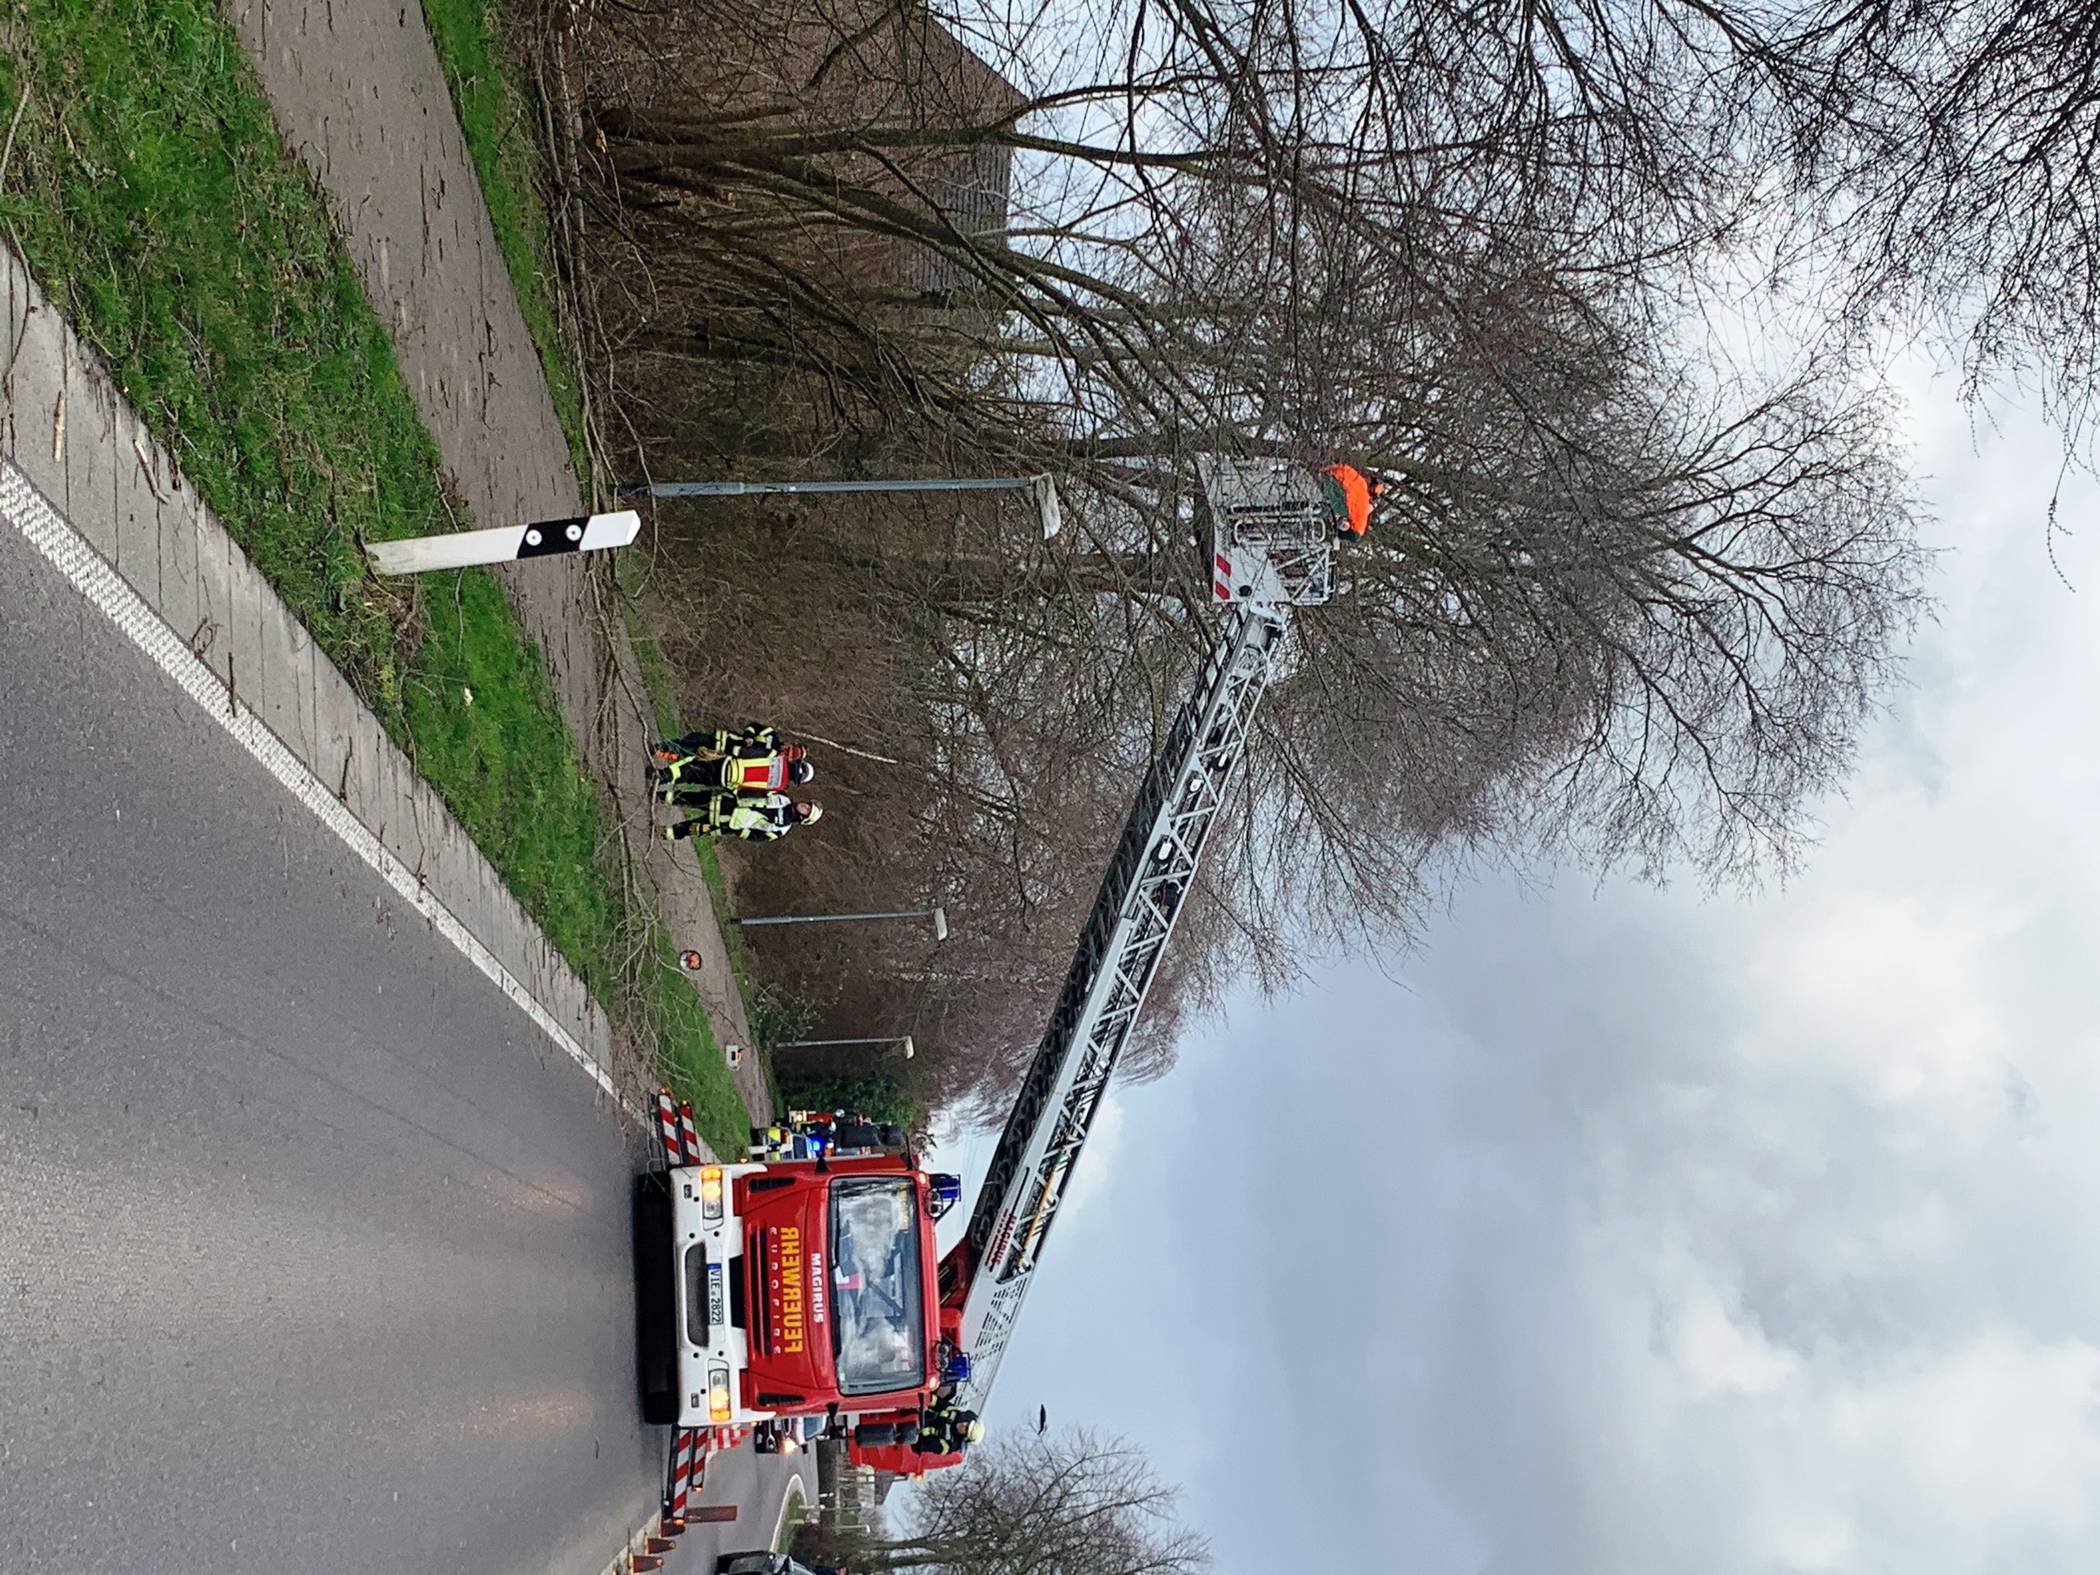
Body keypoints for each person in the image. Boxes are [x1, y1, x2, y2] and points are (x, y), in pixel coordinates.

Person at [648, 722, 794, 783]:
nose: (788, 752)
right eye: (791, 749)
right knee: (691, 739)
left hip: (720, 754)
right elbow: (753, 726)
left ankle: (659, 750)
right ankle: (660, 748)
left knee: (688, 754)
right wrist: (749, 736)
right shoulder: (772, 735)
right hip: (721, 739)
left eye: (792, 756)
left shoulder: (770, 758)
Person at [663, 792, 823, 843]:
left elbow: (757, 837)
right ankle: (662, 796)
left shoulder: (781, 830)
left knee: (696, 827)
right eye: (808, 804)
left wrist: (738, 831)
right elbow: (760, 791)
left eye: (807, 810)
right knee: (696, 798)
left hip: (731, 822)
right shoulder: (783, 797)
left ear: (803, 818)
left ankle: (667, 833)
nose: (805, 806)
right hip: (731, 802)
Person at [657, 750, 814, 799]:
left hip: (728, 764)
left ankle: (662, 776)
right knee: (693, 778)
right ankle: (662, 782)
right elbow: (752, 794)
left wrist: (729, 752)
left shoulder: (777, 757)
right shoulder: (778, 788)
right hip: (727, 781)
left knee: (692, 767)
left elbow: (750, 753)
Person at [1319, 462, 1387, 539]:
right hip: (1340, 508)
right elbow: (1356, 535)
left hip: (1334, 496)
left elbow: (1343, 470)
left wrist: (1327, 469)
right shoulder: (1367, 507)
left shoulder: (1359, 482)